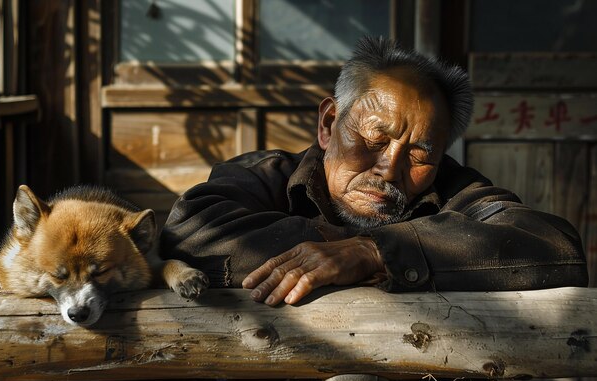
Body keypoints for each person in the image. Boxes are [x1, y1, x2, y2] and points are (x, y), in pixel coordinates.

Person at [160, 36, 588, 307]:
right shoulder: (266, 175)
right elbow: (188, 230)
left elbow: (556, 248)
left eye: (420, 154)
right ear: (328, 124)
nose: (390, 167)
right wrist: (346, 245)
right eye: (374, 140)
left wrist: (373, 251)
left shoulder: (453, 187)